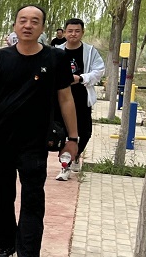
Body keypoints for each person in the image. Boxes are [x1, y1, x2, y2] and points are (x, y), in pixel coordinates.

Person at [0, 5, 79, 257]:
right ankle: (7, 245)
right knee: (1, 197)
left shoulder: (55, 58)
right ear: (14, 25)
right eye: (23, 20)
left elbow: (66, 98)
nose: (28, 25)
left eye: (34, 21)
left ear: (42, 27)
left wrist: (73, 138)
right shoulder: (0, 58)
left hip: (35, 142)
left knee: (33, 199)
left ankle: (28, 252)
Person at [55, 18, 104, 180]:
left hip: (82, 97)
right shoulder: (57, 51)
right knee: (62, 132)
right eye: (70, 31)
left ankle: (76, 154)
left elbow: (99, 71)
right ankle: (65, 165)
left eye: (77, 31)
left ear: (82, 32)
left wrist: (81, 78)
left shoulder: (90, 51)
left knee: (85, 132)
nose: (73, 34)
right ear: (65, 32)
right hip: (60, 99)